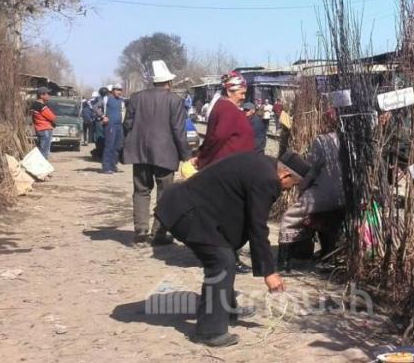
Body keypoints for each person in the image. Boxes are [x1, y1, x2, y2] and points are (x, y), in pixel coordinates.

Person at [154, 151, 305, 347]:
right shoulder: (268, 179)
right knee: (221, 261)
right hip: (186, 212)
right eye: (292, 184)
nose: (288, 189)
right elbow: (257, 227)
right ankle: (209, 331)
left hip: (192, 206)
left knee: (226, 254)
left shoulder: (264, 164)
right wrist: (269, 272)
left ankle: (226, 310)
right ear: (285, 174)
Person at [123, 61, 191, 246]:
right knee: (165, 195)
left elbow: (127, 124)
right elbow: (178, 131)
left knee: (141, 191)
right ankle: (159, 233)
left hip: (140, 153)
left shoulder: (136, 98)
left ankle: (140, 230)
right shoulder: (175, 101)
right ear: (169, 82)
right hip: (165, 154)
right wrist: (186, 156)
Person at [277, 109, 344, 271]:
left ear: (327, 122)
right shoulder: (349, 140)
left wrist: (302, 187)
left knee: (289, 217)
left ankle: (284, 262)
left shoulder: (322, 141)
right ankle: (328, 255)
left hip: (324, 193)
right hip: (344, 194)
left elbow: (311, 170)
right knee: (326, 219)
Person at [195, 72, 254, 170]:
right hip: (229, 168)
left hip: (233, 166)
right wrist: (202, 159)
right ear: (229, 92)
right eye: (242, 93)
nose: (244, 97)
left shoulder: (225, 107)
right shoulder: (227, 109)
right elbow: (218, 138)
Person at [101, 84, 126, 174]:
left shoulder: (122, 100)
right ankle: (106, 167)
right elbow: (94, 106)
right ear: (112, 90)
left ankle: (113, 165)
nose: (119, 92)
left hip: (119, 125)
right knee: (109, 146)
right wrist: (102, 116)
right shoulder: (106, 99)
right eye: (117, 90)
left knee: (117, 146)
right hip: (110, 125)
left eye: (120, 90)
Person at [31, 87, 57, 161]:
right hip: (45, 130)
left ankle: (41, 164)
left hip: (39, 129)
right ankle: (41, 165)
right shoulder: (41, 106)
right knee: (44, 152)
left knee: (42, 150)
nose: (48, 95)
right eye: (47, 94)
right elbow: (53, 117)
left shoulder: (34, 105)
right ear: (41, 95)